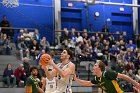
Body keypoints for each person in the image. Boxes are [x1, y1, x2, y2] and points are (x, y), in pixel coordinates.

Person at [74, 61, 140, 93]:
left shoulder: (107, 73)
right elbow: (87, 83)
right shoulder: (97, 78)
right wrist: (76, 80)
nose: (93, 67)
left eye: (95, 65)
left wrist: (135, 83)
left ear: (100, 68)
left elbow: (123, 76)